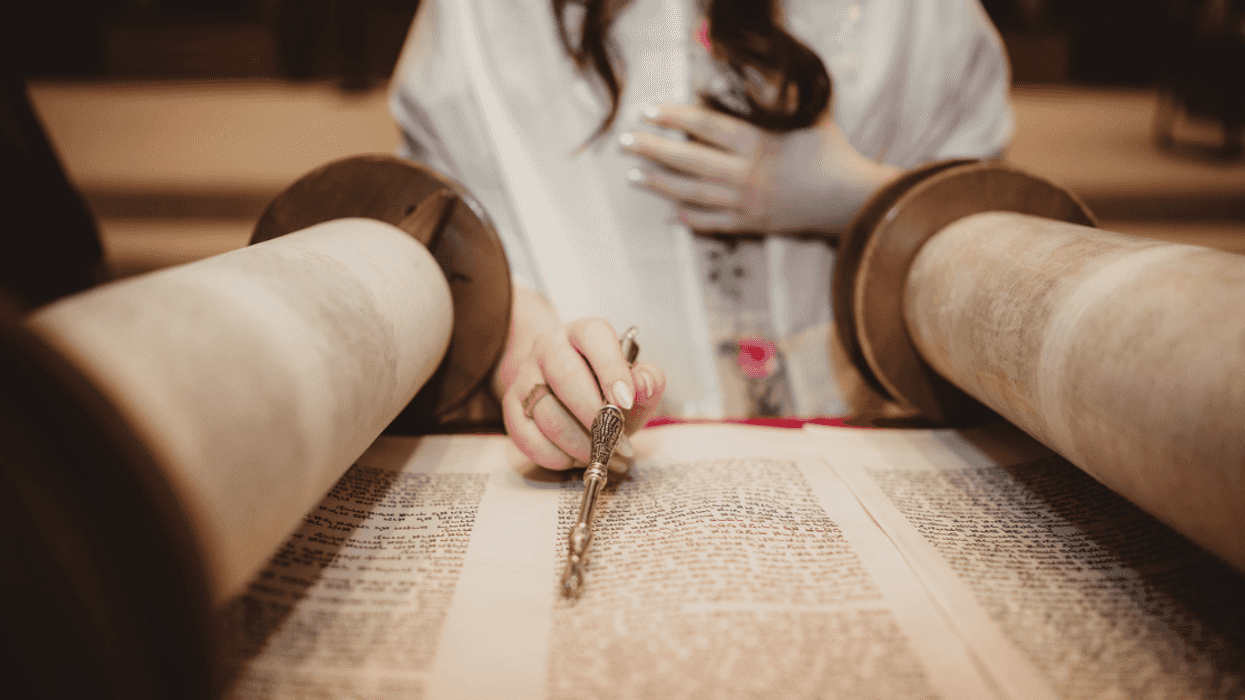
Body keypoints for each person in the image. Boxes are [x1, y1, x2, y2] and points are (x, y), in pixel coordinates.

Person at [389, 0, 1014, 470]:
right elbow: (460, 229)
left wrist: (861, 198)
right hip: (633, 459)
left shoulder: (915, 14)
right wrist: (532, 355)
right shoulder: (480, 17)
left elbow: (1002, 256)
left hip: (876, 447)